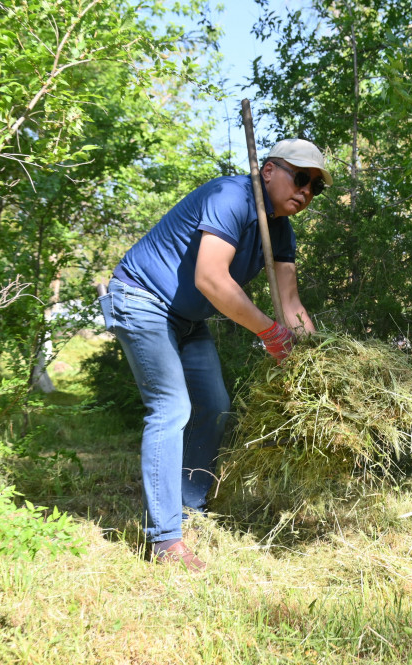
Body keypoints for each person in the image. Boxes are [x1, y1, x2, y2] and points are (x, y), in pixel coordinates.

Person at [99, 138, 331, 571]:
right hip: (142, 299)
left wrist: (318, 361)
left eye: (316, 187)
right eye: (300, 177)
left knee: (215, 406)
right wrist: (269, 332)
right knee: (172, 408)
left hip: (186, 320)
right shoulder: (231, 197)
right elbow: (210, 278)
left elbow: (291, 304)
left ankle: (190, 510)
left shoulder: (280, 230)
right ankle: (165, 540)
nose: (306, 191)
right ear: (268, 171)